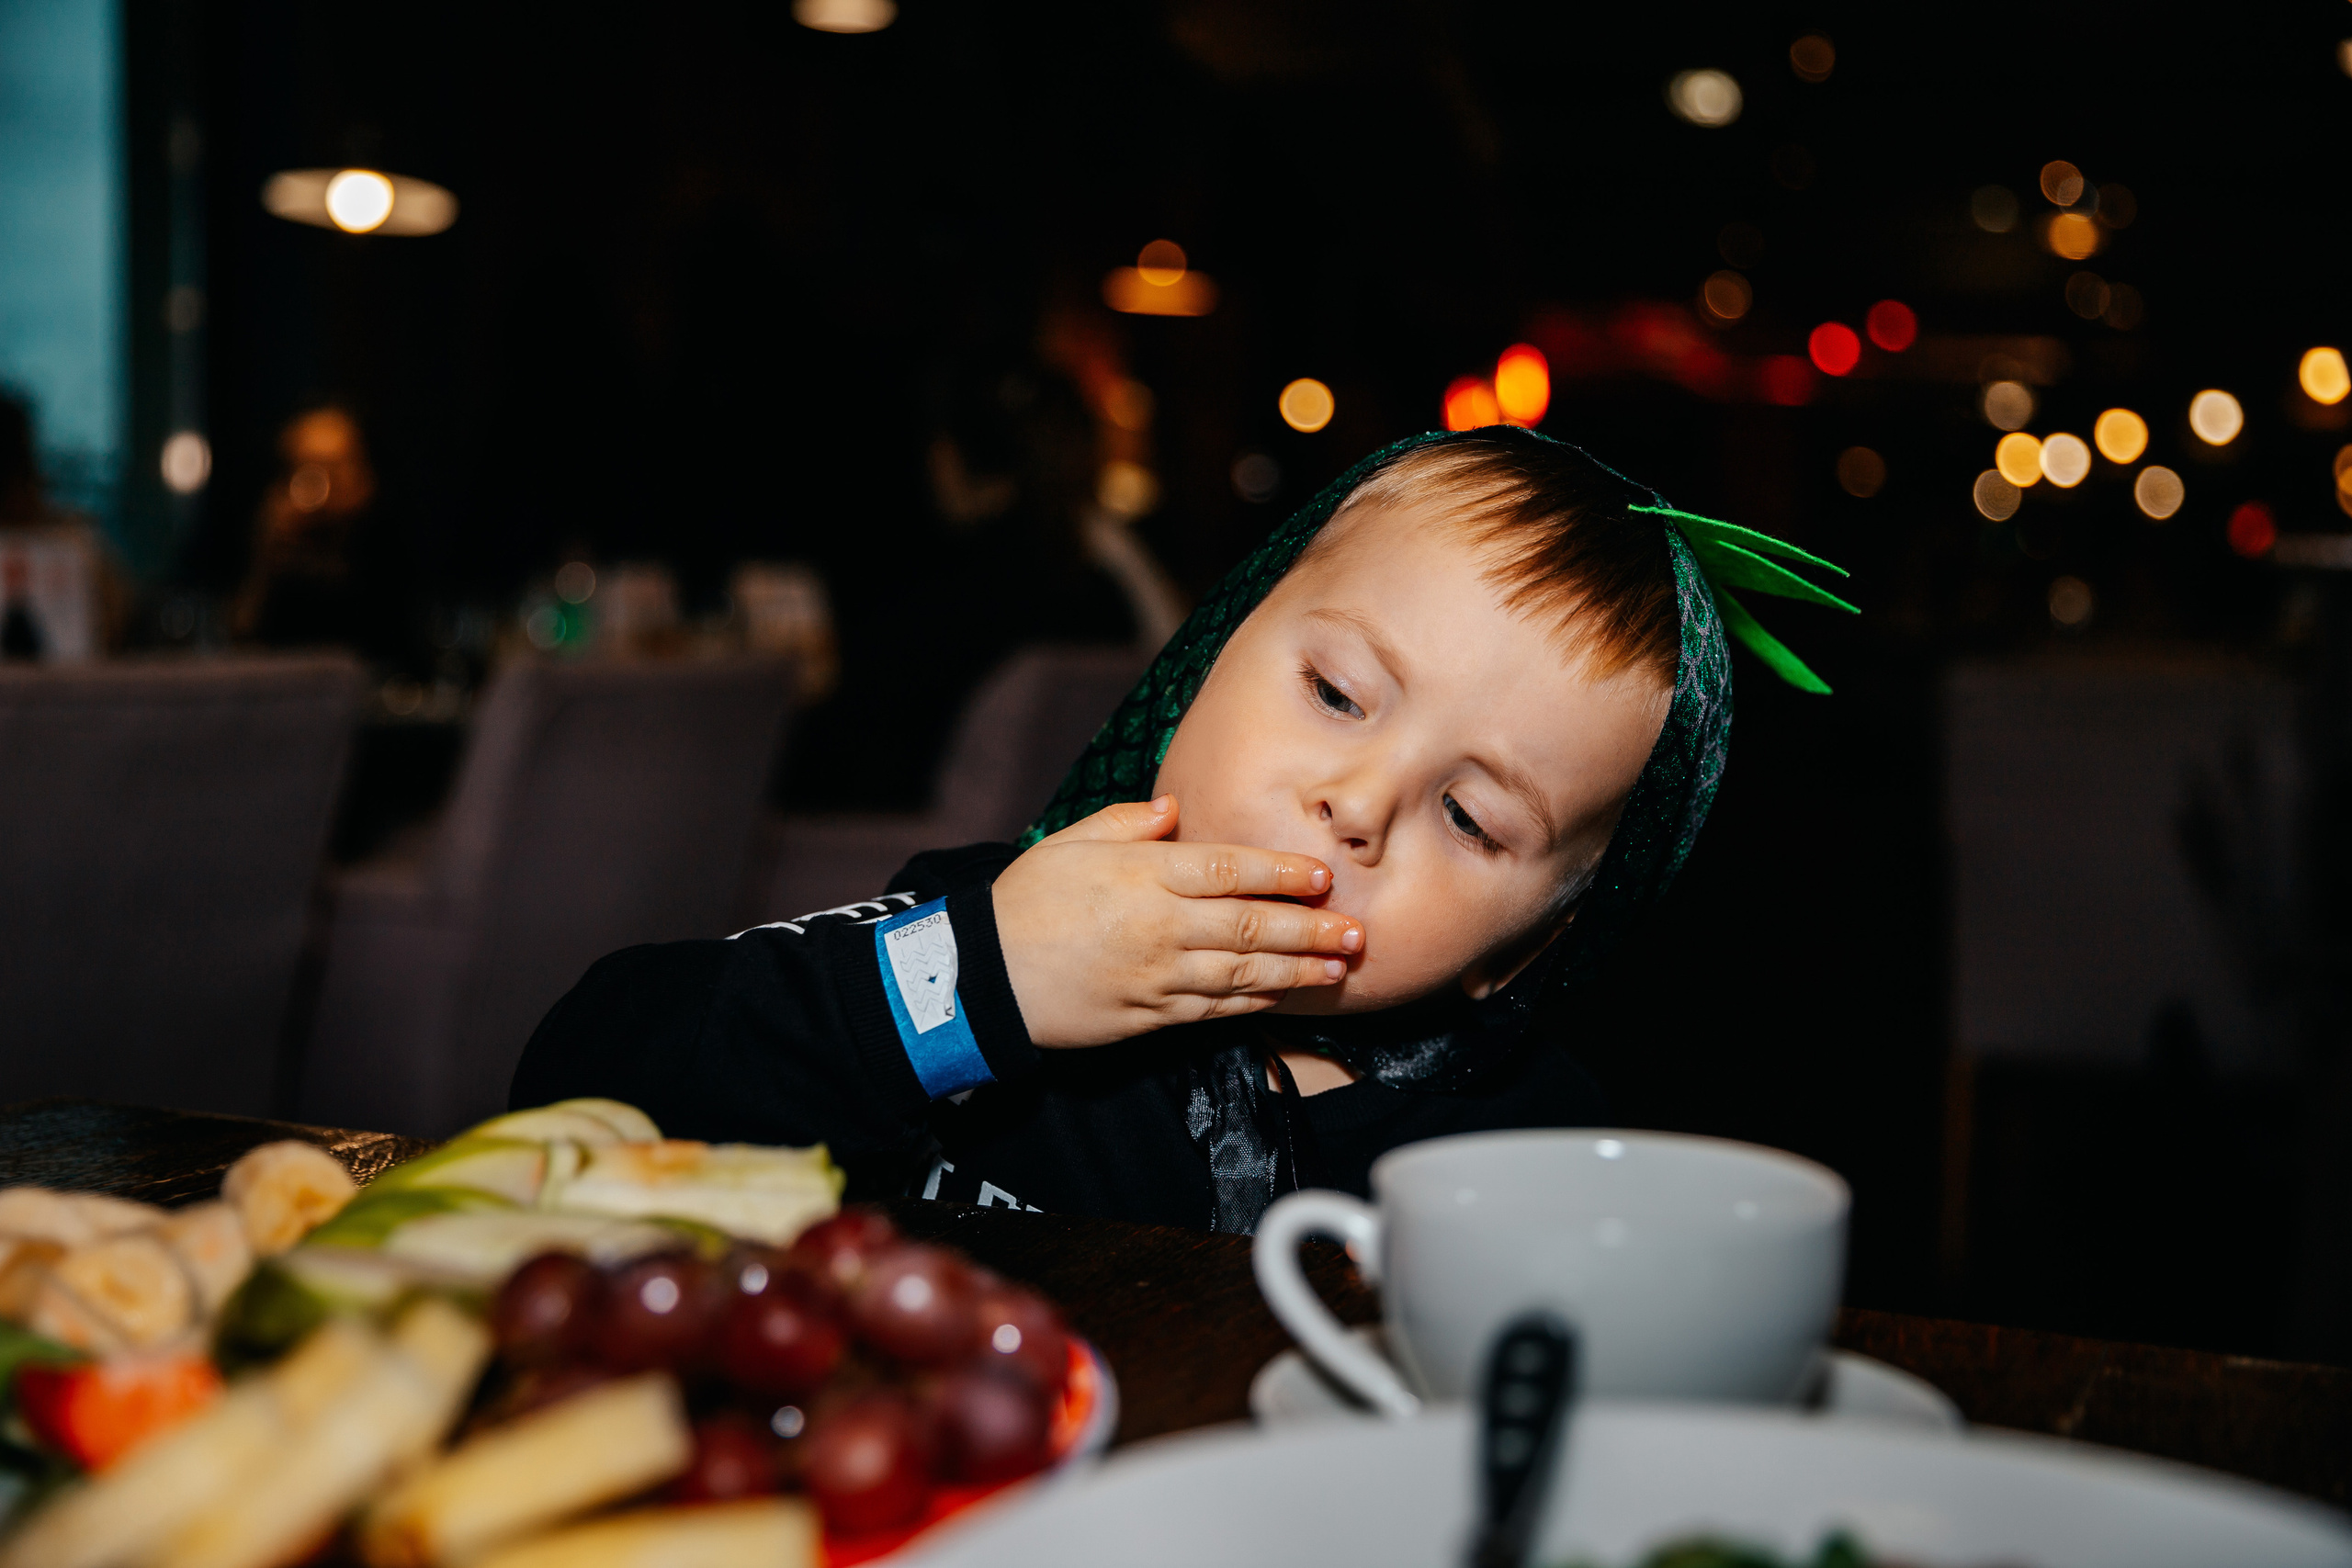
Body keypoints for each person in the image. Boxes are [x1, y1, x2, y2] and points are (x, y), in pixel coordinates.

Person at [511, 427, 1851, 1232]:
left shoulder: (1534, 1160)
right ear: (1206, 656)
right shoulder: (978, 931)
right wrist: (983, 984)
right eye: (1336, 692)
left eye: (1468, 814)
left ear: (1527, 952)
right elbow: (584, 1078)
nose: (1362, 801)